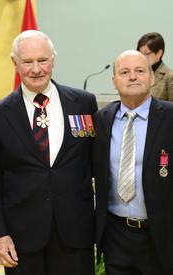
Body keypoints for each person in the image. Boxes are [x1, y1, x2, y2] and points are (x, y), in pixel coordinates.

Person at [0, 30, 97, 275]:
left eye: (42, 60)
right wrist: (0, 234)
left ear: (53, 60)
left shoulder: (84, 103)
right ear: (15, 63)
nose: (36, 69)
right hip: (22, 237)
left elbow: (97, 165)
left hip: (75, 234)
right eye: (27, 61)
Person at [93, 50, 173, 275]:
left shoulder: (169, 118)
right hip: (116, 235)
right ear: (114, 80)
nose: (132, 77)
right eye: (124, 72)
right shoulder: (102, 119)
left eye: (140, 71)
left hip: (160, 236)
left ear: (151, 77)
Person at [137, 32, 173, 101]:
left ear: (159, 53)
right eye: (140, 54)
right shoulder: (137, 75)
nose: (143, 58)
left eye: (147, 54)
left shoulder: (169, 77)